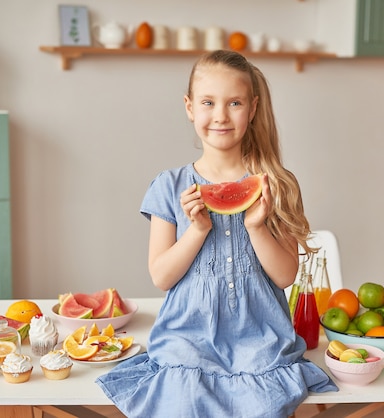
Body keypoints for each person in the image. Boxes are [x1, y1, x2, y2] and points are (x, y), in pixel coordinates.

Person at [96, 50, 337, 417]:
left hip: (260, 341)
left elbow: (285, 275)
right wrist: (197, 230)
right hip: (186, 340)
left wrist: (256, 226)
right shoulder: (169, 185)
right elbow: (161, 276)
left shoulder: (278, 185)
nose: (221, 115)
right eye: (208, 102)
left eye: (235, 102)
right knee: (180, 402)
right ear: (190, 107)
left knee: (263, 405)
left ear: (253, 108)